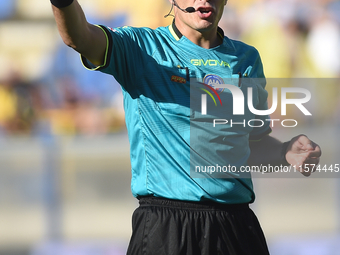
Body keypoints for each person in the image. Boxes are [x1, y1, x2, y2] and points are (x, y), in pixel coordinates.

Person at [49, 0, 322, 254]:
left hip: (236, 225)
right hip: (166, 226)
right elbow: (79, 37)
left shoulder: (246, 59)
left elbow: (250, 145)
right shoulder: (140, 48)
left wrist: (285, 151)